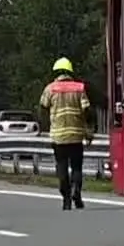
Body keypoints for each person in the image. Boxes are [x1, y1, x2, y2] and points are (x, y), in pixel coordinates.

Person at [39, 57, 94, 210]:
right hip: (76, 134)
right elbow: (87, 110)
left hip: (59, 136)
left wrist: (46, 126)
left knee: (62, 167)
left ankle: (66, 198)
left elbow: (43, 107)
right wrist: (89, 131)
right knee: (76, 167)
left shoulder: (50, 88)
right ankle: (77, 191)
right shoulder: (79, 88)